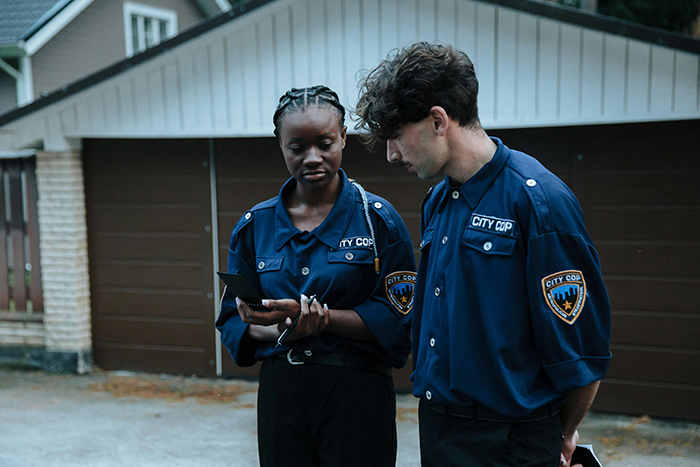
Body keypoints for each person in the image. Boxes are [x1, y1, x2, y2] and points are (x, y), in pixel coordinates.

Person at [354, 42, 612, 467]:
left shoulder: (538, 201)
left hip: (511, 442)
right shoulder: (437, 200)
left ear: (438, 120)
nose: (391, 154)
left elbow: (584, 352)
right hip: (438, 431)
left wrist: (561, 435)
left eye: (396, 136)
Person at [216, 85, 416, 467]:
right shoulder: (253, 227)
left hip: (356, 394)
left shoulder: (378, 221)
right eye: (297, 147)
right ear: (280, 145)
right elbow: (231, 320)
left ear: (343, 137)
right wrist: (281, 328)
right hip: (282, 394)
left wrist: (323, 322)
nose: (312, 158)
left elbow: (399, 319)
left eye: (325, 143)